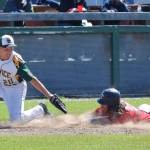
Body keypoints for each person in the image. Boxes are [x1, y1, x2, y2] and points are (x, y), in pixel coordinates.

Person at [0, 34, 67, 123]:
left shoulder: (16, 61)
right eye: (6, 49)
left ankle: (41, 110)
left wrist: (49, 96)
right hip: (1, 86)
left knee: (17, 120)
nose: (9, 51)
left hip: (15, 88)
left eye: (11, 48)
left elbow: (32, 79)